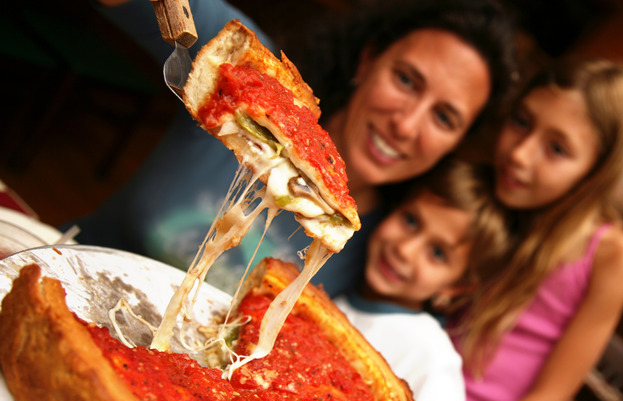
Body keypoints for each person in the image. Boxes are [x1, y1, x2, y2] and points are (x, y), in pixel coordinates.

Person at [72, 0, 519, 296]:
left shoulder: (393, 245)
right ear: (368, 60)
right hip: (57, 267)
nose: (406, 124)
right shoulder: (251, 77)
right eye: (405, 80)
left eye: (444, 118)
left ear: (457, 142)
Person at [448, 57, 623, 401]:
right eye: (522, 121)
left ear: (595, 171)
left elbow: (549, 398)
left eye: (556, 149)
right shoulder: (484, 193)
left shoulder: (613, 256)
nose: (520, 154)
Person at [333, 157, 513, 401]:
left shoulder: (430, 356)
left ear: (456, 287)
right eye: (411, 220)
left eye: (438, 253)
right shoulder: (343, 286)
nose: (406, 250)